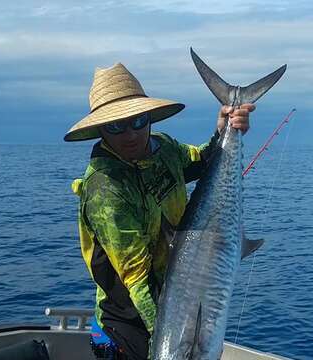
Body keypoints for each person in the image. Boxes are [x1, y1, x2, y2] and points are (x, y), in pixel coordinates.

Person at [64, 63, 255, 359]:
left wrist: (225, 128)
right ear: (100, 129)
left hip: (182, 289)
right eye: (116, 126)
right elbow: (136, 280)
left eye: (138, 121)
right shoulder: (105, 188)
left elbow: (202, 161)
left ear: (149, 118)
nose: (130, 135)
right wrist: (166, 340)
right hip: (130, 317)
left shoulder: (163, 148)